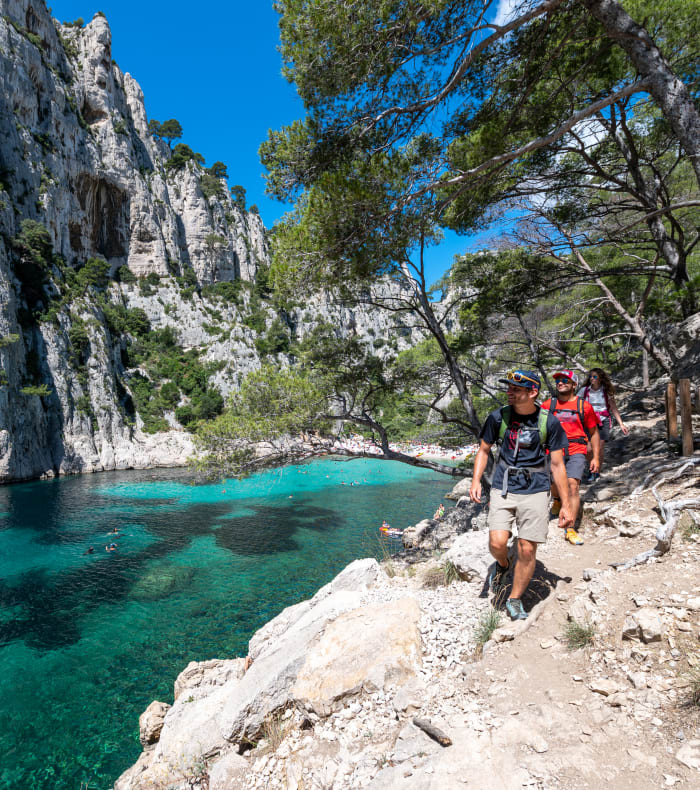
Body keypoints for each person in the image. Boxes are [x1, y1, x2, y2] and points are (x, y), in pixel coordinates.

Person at [470, 370, 573, 621]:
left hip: (536, 488)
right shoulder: (498, 417)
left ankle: (514, 599)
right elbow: (484, 450)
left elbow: (558, 466)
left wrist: (567, 505)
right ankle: (503, 564)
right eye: (509, 388)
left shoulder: (550, 423)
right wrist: (476, 480)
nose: (510, 392)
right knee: (496, 543)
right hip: (504, 486)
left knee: (527, 549)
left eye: (516, 389)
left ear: (533, 392)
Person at [541, 370, 601, 545]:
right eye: (558, 380)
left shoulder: (585, 407)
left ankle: (570, 528)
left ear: (574, 384)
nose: (560, 383)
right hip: (552, 451)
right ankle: (558, 499)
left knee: (573, 485)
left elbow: (594, 432)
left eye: (565, 380)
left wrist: (595, 457)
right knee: (553, 484)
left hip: (576, 449)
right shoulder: (547, 405)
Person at [578, 368, 629, 478]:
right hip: (588, 421)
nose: (592, 378)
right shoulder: (584, 390)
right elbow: (576, 404)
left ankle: (596, 472)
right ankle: (592, 466)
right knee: (588, 449)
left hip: (603, 420)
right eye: (591, 376)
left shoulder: (606, 391)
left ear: (600, 378)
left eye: (595, 376)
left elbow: (613, 408)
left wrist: (621, 423)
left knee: (599, 448)